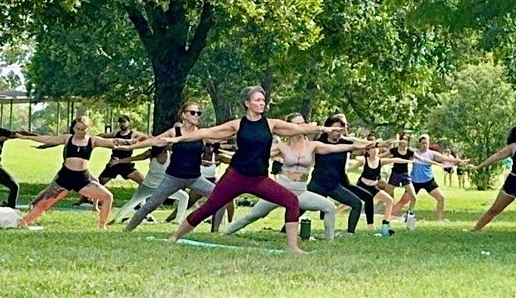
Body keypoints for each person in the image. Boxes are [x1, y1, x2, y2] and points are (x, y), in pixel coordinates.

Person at [157, 86, 342, 254]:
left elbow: (297, 128)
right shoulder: (237, 125)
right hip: (235, 177)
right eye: (257, 100)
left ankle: (293, 247)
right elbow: (207, 133)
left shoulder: (271, 124)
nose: (261, 103)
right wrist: (178, 139)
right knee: (208, 208)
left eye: (263, 100)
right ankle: (174, 236)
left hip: (259, 179)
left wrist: (324, 128)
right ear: (247, 103)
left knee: (291, 201)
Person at [226, 113, 360, 239]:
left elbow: (342, 147)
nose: (300, 127)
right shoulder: (282, 147)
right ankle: (226, 232)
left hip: (300, 191)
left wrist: (375, 144)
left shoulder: (312, 146)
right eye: (297, 124)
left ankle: (329, 241)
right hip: (281, 189)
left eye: (303, 123)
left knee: (329, 207)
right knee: (255, 215)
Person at [120, 101, 221, 231]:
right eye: (192, 112)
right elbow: (153, 141)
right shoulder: (175, 132)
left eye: (198, 113)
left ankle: (215, 231)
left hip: (195, 178)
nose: (196, 115)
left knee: (221, 198)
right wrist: (130, 146)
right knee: (150, 205)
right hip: (173, 178)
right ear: (183, 115)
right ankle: (127, 230)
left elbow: (223, 134)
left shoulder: (201, 133)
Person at [16, 116, 127, 229]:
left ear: (87, 129)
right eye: (78, 129)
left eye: (83, 129)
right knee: (44, 204)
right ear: (73, 128)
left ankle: (102, 226)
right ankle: (23, 223)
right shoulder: (67, 138)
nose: (80, 132)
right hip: (66, 177)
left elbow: (112, 142)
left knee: (108, 197)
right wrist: (26, 137)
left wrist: (134, 141)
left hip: (83, 178)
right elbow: (47, 139)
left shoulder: (92, 140)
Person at [305, 113, 381, 236]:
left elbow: (362, 144)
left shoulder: (345, 143)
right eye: (335, 129)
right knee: (301, 207)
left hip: (335, 185)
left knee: (356, 203)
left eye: (341, 129)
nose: (338, 132)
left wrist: (381, 144)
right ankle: (285, 229)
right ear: (328, 129)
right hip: (318, 184)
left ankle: (350, 233)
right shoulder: (319, 143)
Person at [391, 134, 465, 221]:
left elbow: (446, 158)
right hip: (415, 182)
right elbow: (401, 150)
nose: (425, 145)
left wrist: (459, 161)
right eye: (423, 143)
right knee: (403, 201)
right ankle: (390, 216)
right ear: (419, 144)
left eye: (427, 143)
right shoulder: (414, 152)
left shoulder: (432, 153)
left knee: (441, 198)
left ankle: (439, 219)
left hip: (428, 181)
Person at [350, 131, 409, 235]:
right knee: (347, 203)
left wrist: (410, 161)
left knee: (389, 200)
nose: (375, 150)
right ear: (368, 151)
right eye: (372, 149)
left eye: (376, 148)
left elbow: (396, 159)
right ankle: (334, 213)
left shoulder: (380, 161)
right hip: (362, 186)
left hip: (373, 188)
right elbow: (350, 168)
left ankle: (385, 224)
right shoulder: (364, 161)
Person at [387, 134, 417, 216]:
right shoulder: (394, 150)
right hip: (394, 174)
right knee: (385, 195)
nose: (403, 140)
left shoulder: (410, 152)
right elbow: (382, 157)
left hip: (405, 175)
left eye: (406, 139)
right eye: (402, 139)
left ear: (408, 142)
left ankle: (410, 214)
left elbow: (421, 159)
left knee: (413, 197)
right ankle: (374, 211)